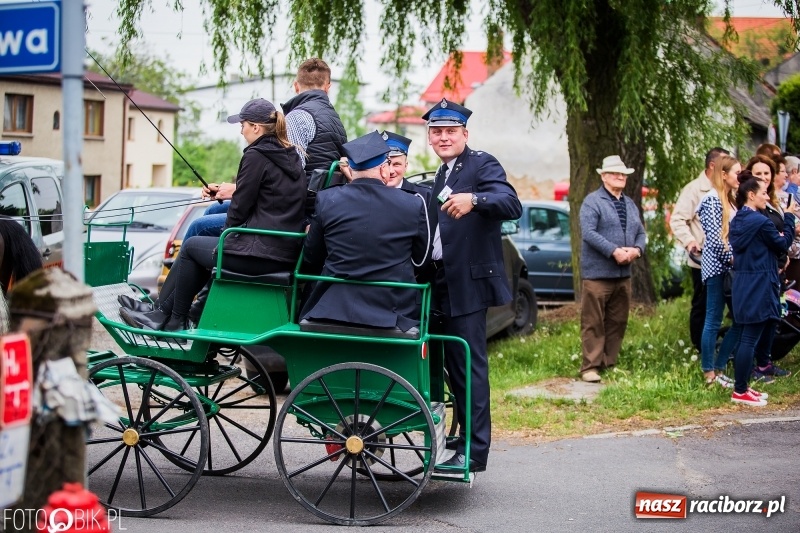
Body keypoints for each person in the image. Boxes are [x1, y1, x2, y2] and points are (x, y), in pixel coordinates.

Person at [119, 98, 306, 332]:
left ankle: (171, 318)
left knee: (191, 247)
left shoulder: (256, 155)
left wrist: (227, 238)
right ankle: (161, 313)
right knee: (201, 246)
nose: (241, 130)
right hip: (280, 249)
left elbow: (238, 210)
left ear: (256, 128)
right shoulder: (290, 154)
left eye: (243, 125)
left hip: (262, 253)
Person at [421, 98, 522, 474]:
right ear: (430, 137)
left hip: (469, 282)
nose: (443, 137)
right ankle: (460, 436)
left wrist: (475, 199)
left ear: (465, 133)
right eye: (437, 131)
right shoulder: (442, 173)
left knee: (469, 366)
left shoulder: (481, 163)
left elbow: (511, 203)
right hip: (443, 279)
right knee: (453, 366)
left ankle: (475, 451)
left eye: (450, 131)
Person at [186, 58, 347, 239]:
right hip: (319, 207)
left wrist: (238, 190)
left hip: (295, 213)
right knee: (215, 208)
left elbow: (287, 179)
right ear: (328, 87)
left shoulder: (297, 118)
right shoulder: (337, 122)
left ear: (295, 86)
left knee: (199, 227)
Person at [300, 131, 429, 331]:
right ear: (383, 168)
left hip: (332, 308)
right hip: (392, 311)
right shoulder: (412, 203)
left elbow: (311, 256)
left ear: (350, 168)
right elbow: (421, 260)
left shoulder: (327, 199)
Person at [729, 175, 797, 406]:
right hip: (759, 285)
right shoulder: (760, 222)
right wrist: (788, 217)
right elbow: (783, 243)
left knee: (747, 336)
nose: (767, 197)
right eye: (764, 193)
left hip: (744, 283)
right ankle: (740, 390)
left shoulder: (738, 219)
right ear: (751, 194)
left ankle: (743, 387)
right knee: (749, 339)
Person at [578, 155, 646, 384]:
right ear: (604, 176)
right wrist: (614, 251)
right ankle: (590, 366)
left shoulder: (629, 203)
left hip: (623, 274)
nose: (621, 177)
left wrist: (637, 250)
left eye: (624, 174)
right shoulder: (592, 201)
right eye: (616, 173)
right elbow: (589, 233)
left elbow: (641, 232)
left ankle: (609, 362)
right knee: (593, 321)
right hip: (597, 274)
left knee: (618, 321)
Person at [669, 147, 730, 351]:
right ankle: (700, 345)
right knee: (702, 304)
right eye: (724, 164)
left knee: (719, 305)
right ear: (713, 166)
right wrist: (689, 241)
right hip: (702, 259)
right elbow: (677, 219)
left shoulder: (726, 189)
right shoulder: (694, 189)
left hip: (724, 257)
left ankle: (713, 341)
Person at [745, 155, 793, 380]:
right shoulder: (753, 207)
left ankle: (765, 363)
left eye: (767, 174)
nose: (763, 178)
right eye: (758, 174)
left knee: (773, 317)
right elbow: (774, 238)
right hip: (761, 269)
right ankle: (752, 369)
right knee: (760, 319)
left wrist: (783, 257)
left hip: (776, 267)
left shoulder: (772, 202)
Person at [697, 154, 742, 387]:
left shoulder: (731, 199)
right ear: (723, 175)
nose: (740, 177)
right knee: (713, 319)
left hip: (731, 267)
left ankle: (720, 366)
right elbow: (715, 240)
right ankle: (709, 373)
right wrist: (734, 260)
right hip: (717, 268)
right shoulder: (712, 200)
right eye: (737, 173)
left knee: (740, 319)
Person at [380, 130, 431, 198]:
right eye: (385, 164)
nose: (390, 171)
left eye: (396, 164)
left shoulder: (424, 195)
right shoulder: (368, 196)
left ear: (406, 166)